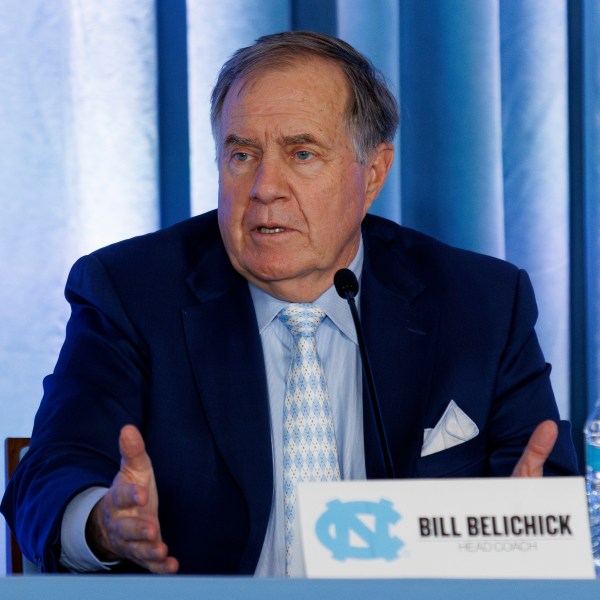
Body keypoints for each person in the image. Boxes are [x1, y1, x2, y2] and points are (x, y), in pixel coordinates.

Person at [1, 31, 578, 576]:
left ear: (372, 173)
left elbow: (539, 490)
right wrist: (103, 523)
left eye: (302, 154)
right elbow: (48, 476)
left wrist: (527, 531)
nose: (264, 187)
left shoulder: (480, 302)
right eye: (242, 154)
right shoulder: (129, 292)